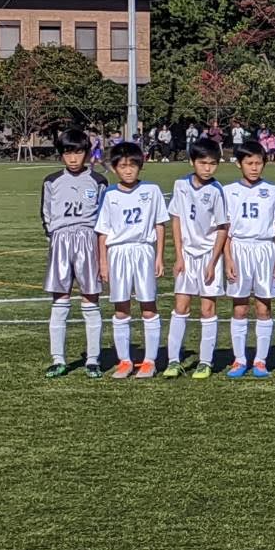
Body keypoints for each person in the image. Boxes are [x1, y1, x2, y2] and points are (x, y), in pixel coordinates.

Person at [94, 141, 169, 379]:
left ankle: (149, 360)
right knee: (121, 308)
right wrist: (103, 263)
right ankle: (125, 360)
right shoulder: (110, 195)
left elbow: (159, 225)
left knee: (148, 306)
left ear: (140, 166)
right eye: (123, 166)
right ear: (115, 168)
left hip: (143, 250)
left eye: (133, 165)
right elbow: (103, 232)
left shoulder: (152, 191)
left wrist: (159, 256)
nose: (128, 171)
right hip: (118, 253)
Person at [41, 128, 108, 378]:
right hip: (60, 240)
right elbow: (46, 212)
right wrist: (54, 235)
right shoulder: (51, 181)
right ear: (61, 155)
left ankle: (92, 359)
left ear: (87, 154)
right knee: (60, 300)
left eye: (78, 152)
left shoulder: (98, 181)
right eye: (68, 152)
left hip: (88, 240)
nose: (73, 158)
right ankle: (58, 359)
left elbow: (103, 215)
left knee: (90, 299)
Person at [222, 142, 275, 379]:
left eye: (258, 163)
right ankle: (239, 359)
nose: (254, 168)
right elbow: (226, 229)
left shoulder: (273, 191)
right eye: (249, 163)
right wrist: (228, 258)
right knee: (239, 307)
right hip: (239, 248)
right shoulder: (228, 191)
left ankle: (260, 360)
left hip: (264, 250)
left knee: (263, 305)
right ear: (239, 164)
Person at [165, 137, 229, 379]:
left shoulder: (216, 191)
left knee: (207, 307)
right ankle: (173, 360)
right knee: (180, 305)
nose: (207, 168)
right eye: (203, 163)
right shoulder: (181, 185)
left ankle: (205, 361)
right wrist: (179, 255)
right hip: (187, 256)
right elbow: (176, 219)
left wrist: (214, 262)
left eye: (212, 164)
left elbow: (223, 228)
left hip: (209, 256)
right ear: (192, 162)